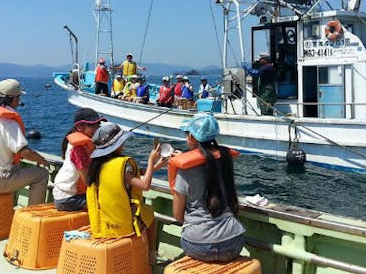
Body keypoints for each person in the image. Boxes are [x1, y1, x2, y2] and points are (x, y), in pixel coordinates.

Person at [168, 113, 245, 262]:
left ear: (191, 136)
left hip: (199, 246)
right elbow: (208, 163)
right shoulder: (225, 160)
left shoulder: (184, 170)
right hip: (234, 242)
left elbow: (178, 216)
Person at [87, 122, 167, 264]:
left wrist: (155, 167)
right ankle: (151, 257)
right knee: (151, 217)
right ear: (117, 145)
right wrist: (151, 160)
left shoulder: (97, 165)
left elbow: (132, 176)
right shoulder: (123, 166)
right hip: (122, 224)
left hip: (101, 224)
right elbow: (144, 185)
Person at [0, 79, 49, 205]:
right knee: (42, 174)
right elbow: (25, 152)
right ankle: (32, 215)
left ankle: (10, 208)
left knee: (14, 168)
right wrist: (42, 160)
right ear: (14, 99)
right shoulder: (8, 122)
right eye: (18, 97)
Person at [53, 108, 106, 211]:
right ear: (80, 127)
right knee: (108, 204)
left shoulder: (86, 144)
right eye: (92, 125)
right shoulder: (79, 148)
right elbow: (87, 180)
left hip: (67, 195)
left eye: (98, 125)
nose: (97, 129)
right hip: (69, 199)